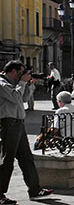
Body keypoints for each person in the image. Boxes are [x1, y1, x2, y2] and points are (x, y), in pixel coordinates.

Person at [0, 60, 54, 202]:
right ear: (12, 71)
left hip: (18, 124)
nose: (22, 75)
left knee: (26, 159)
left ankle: (35, 189)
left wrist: (29, 85)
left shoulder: (15, 84)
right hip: (7, 124)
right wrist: (23, 83)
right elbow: (15, 97)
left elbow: (23, 99)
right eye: (20, 72)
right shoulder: (2, 83)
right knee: (7, 161)